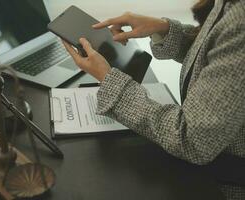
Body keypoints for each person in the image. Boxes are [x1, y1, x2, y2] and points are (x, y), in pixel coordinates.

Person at [63, 0, 245, 199]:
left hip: (222, 185)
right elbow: (216, 49)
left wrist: (109, 79)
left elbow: (192, 139)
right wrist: (164, 29)